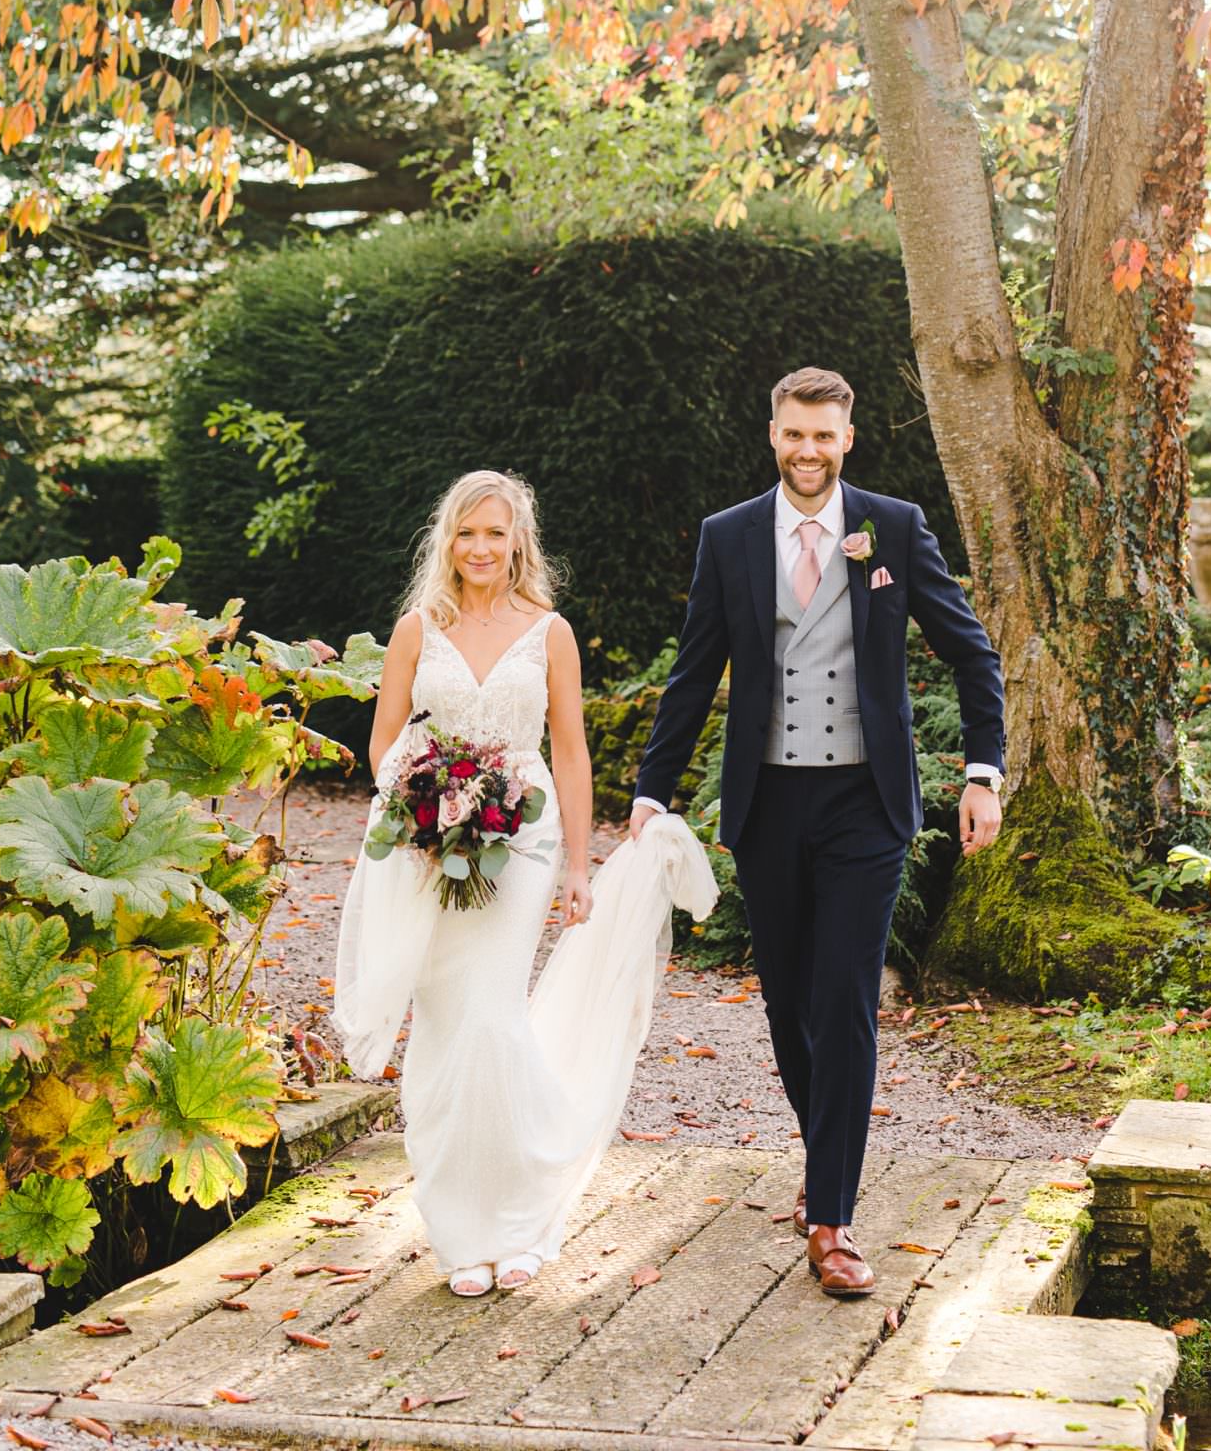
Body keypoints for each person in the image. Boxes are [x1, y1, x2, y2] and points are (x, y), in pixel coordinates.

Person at [630, 366, 1006, 1300]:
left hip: (864, 806)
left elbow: (972, 653)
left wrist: (981, 773)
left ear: (847, 438)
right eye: (794, 435)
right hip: (766, 803)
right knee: (789, 1005)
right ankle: (821, 1155)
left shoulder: (893, 527)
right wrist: (650, 794)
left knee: (844, 1000)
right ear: (773, 436)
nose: (809, 451)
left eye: (824, 437)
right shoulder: (729, 538)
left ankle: (832, 1216)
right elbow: (693, 675)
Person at [334, 468, 715, 1299]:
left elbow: (571, 751)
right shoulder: (415, 628)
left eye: (495, 533)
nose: (480, 548)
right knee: (441, 1029)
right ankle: (457, 1235)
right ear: (448, 540)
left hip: (522, 845)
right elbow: (383, 742)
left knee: (491, 1021)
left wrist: (580, 863)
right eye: (467, 533)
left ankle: (518, 1218)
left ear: (518, 542)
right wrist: (422, 808)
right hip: (425, 849)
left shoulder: (549, 632)